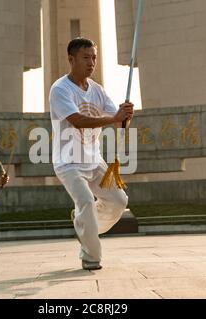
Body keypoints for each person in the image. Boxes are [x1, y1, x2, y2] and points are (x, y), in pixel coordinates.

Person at [49, 38, 135, 270]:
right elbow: (77, 121)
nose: (91, 62)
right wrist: (114, 118)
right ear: (71, 59)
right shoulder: (60, 89)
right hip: (68, 162)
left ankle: (84, 225)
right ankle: (91, 256)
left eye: (94, 57)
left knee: (119, 201)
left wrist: (124, 116)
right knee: (86, 201)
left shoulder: (97, 90)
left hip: (93, 159)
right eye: (86, 57)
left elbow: (117, 121)